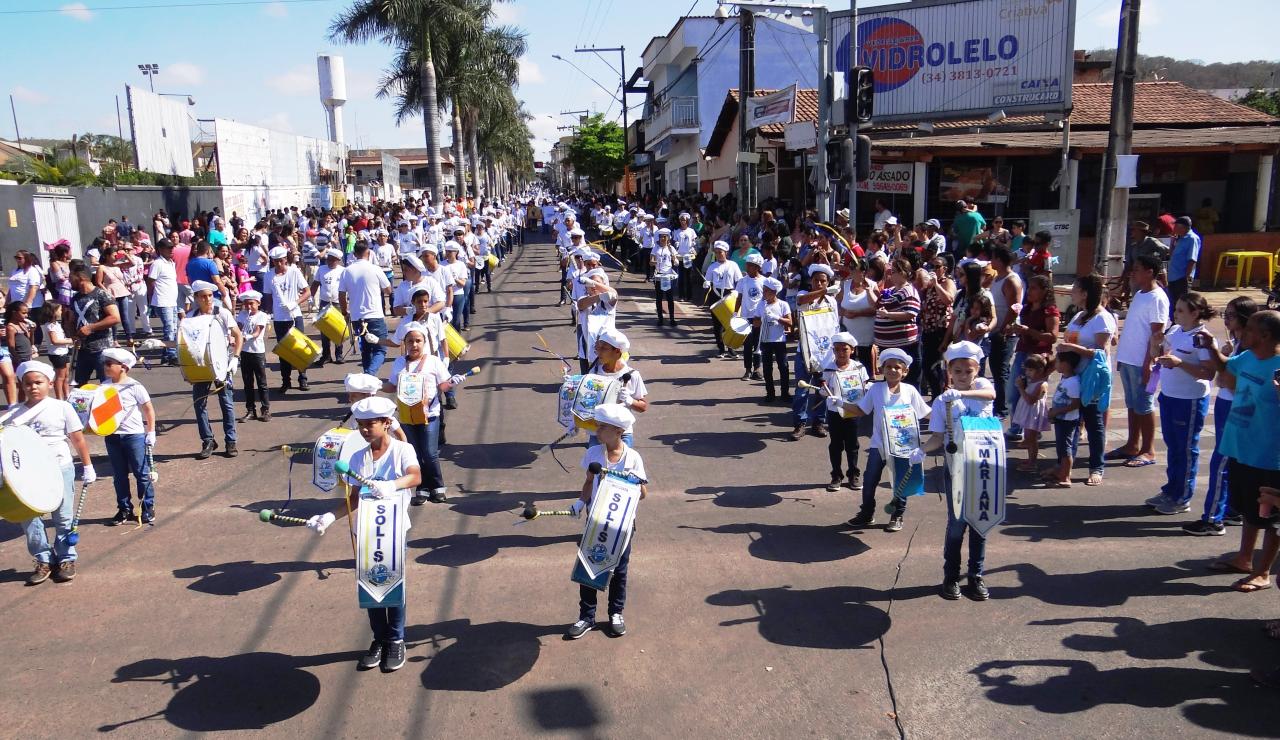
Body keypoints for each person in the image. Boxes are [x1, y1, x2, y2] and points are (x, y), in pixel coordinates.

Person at [304, 396, 422, 672]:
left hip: (392, 530)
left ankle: (396, 639)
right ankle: (379, 639)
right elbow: (355, 497)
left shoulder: (402, 450)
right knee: (370, 587)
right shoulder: (358, 458)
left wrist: (392, 485)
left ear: (387, 423)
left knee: (392, 585)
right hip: (367, 530)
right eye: (361, 425)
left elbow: (415, 477)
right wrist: (330, 517)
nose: (366, 430)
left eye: (371, 424)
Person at [1205, 310, 1280, 594]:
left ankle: (1263, 572)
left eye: (1248, 329)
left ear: (1265, 335)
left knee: (1271, 518)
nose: (1242, 332)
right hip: (1241, 448)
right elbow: (1227, 367)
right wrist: (1212, 349)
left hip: (1269, 456)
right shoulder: (1247, 357)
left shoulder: (1279, 366)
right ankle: (1244, 558)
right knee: (1249, 510)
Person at [2, 361, 94, 585]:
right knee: (29, 518)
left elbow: (77, 439)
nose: (33, 387)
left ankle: (65, 558)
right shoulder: (13, 414)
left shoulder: (61, 408)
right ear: (21, 385)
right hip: (25, 472)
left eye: (38, 382)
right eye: (28, 383)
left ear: (50, 384)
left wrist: (88, 465)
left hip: (60, 467)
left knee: (63, 517)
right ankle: (43, 559)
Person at [565, 403, 649, 640]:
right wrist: (580, 504)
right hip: (596, 521)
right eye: (597, 426)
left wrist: (633, 481)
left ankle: (616, 613)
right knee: (589, 566)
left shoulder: (633, 458)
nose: (597, 431)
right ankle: (586, 616)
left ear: (619, 431)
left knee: (619, 570)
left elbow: (643, 494)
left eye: (602, 427)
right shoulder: (593, 454)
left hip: (622, 525)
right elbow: (589, 483)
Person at [920, 341, 996, 600]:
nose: (964, 376)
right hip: (957, 469)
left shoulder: (982, 387)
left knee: (980, 524)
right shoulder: (943, 402)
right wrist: (922, 451)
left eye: (969, 371)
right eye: (958, 371)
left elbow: (991, 396)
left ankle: (976, 575)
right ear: (949, 371)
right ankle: (951, 575)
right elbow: (938, 437)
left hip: (985, 466)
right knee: (957, 524)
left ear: (977, 370)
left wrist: (963, 395)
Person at [1183, 296, 1258, 536]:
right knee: (1231, 463)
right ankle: (1232, 508)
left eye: (1231, 315)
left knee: (1221, 463)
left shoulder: (1249, 347)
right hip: (1226, 404)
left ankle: (1213, 519)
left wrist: (1223, 363)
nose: (1226, 319)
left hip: (1235, 408)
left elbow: (1230, 382)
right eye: (1225, 314)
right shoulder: (1237, 342)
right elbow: (1221, 378)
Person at [839, 348, 931, 533]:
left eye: (897, 367)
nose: (892, 370)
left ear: (905, 372)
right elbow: (861, 410)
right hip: (879, 445)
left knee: (900, 482)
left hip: (903, 447)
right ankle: (866, 513)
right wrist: (839, 403)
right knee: (870, 479)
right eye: (888, 367)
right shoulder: (876, 389)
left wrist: (947, 415)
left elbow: (926, 413)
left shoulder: (910, 391)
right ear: (882, 369)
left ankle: (897, 514)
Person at [1149, 293, 1216, 515]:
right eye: (1175, 309)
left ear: (1195, 313)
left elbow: (1208, 373)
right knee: (1173, 446)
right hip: (1169, 395)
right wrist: (1155, 345)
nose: (1175, 314)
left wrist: (1179, 363)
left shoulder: (1202, 338)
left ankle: (1182, 497)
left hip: (1189, 400)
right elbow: (1158, 356)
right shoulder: (1175, 331)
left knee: (1186, 449)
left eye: (1180, 310)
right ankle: (1171, 490)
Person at [383, 322, 460, 505]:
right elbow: (392, 385)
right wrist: (375, 386)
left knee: (430, 453)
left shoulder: (433, 361)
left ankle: (438, 486)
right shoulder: (399, 362)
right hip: (406, 416)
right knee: (415, 453)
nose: (414, 345)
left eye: (418, 341)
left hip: (429, 415)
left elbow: (442, 385)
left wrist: (451, 382)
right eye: (410, 341)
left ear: (424, 342)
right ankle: (422, 488)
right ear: (405, 344)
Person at [1109, 254, 1169, 467]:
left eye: (1137, 269)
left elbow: (1156, 335)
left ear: (1150, 271)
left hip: (1142, 362)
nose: (1133, 272)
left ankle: (1148, 450)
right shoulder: (1141, 294)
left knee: (1145, 405)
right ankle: (1132, 445)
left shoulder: (1157, 297)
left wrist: (1148, 364)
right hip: (1128, 359)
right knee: (1133, 405)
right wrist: (1122, 357)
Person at [1057, 274, 1116, 487]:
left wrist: (1073, 348)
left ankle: (1096, 467)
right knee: (1070, 422)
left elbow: (1102, 353)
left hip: (1092, 380)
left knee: (1094, 424)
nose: (1071, 292)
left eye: (1075, 288)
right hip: (1074, 377)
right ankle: (1064, 468)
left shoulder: (1103, 318)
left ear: (1085, 293)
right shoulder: (1079, 315)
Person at [185, 280, 243, 459]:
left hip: (221, 363)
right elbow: (184, 343)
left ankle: (231, 441)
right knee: (199, 403)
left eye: (210, 296)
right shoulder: (190, 317)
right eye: (203, 296)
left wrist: (235, 358)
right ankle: (208, 440)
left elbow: (238, 335)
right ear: (195, 298)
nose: (208, 299)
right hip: (200, 364)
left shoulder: (222, 313)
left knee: (226, 403)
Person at [99, 347, 157, 524]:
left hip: (134, 435)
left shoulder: (135, 386)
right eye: (105, 363)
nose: (105, 367)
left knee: (141, 472)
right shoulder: (104, 386)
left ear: (123, 367)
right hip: (112, 435)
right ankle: (124, 509)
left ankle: (147, 507)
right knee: (119, 475)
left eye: (109, 363)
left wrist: (151, 431)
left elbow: (148, 409)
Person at [822, 332, 870, 492]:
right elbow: (823, 389)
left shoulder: (859, 367)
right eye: (837, 350)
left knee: (852, 444)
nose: (841, 353)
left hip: (853, 410)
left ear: (852, 350)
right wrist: (826, 392)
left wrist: (867, 390)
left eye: (845, 349)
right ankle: (836, 475)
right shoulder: (828, 368)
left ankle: (853, 475)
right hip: (834, 411)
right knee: (835, 444)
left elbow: (865, 385)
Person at [586, 329, 648, 447]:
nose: (598, 352)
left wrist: (629, 400)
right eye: (597, 348)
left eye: (603, 349)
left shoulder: (632, 374)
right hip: (596, 433)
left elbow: (643, 407)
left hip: (621, 434)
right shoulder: (593, 372)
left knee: (620, 465)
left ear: (617, 351)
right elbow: (584, 400)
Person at [263, 246, 312, 393]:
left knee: (299, 348)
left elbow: (307, 292)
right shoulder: (268, 276)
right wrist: (268, 313)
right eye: (275, 262)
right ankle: (286, 381)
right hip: (279, 318)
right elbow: (268, 297)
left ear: (286, 259)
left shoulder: (294, 271)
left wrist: (295, 302)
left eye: (281, 261)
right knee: (284, 351)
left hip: (294, 315)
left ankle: (302, 378)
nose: (278, 264)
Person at [338, 242, 392, 374]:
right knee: (380, 349)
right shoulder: (375, 269)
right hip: (375, 315)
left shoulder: (347, 271)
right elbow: (388, 290)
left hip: (357, 316)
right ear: (368, 253)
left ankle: (367, 379)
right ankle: (369, 374)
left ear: (354, 254)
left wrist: (345, 311)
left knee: (366, 350)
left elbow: (341, 295)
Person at [69, 260, 120, 387]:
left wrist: (91, 328)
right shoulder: (75, 298)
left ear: (80, 278)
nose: (69, 281)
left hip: (102, 349)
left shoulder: (101, 295)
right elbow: (71, 319)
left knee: (107, 385)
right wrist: (72, 333)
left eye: (71, 278)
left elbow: (115, 318)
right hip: (83, 349)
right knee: (80, 386)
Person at [874, 258, 923, 388]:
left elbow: (910, 313)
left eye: (894, 271)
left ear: (903, 273)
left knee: (908, 381)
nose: (891, 274)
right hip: (888, 344)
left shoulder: (908, 290)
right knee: (890, 380)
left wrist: (888, 315)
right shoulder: (893, 289)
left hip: (904, 344)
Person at [987, 247, 1022, 419]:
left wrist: (1003, 329)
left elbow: (1014, 308)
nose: (990, 262)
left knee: (1001, 371)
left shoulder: (1011, 280)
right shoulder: (997, 278)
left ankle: (1003, 408)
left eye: (993, 258)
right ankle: (999, 404)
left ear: (1000, 260)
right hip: (995, 331)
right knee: (995, 369)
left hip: (1006, 333)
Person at [1044, 351, 1083, 487]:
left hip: (1067, 420)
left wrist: (1057, 411)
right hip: (1061, 418)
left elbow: (1075, 403)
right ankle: (1060, 471)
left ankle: (1065, 476)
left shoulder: (1073, 382)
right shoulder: (1066, 379)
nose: (1055, 365)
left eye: (1057, 362)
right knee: (1061, 448)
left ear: (1065, 364)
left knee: (1065, 449)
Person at [1011, 354, 1052, 472]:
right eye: (1027, 370)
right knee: (1029, 438)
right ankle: (1030, 459)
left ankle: (1032, 463)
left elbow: (1030, 400)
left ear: (1039, 370)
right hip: (1029, 412)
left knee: (1031, 439)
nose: (1027, 373)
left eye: (1030, 370)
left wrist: (1020, 388)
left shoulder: (1041, 384)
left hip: (1033, 413)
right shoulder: (1032, 381)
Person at [754, 277, 791, 403]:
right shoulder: (761, 305)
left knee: (783, 367)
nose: (763, 294)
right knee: (767, 368)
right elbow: (755, 322)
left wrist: (776, 317)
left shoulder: (783, 305)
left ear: (774, 292)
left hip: (779, 340)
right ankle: (770, 393)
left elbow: (790, 322)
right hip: (765, 340)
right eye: (763, 291)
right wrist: (761, 319)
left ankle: (785, 393)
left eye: (766, 291)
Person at [236, 290, 271, 422]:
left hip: (257, 352)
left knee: (262, 382)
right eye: (246, 304)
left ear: (258, 303)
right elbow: (238, 327)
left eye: (251, 304)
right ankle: (250, 410)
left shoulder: (262, 316)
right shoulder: (242, 314)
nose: (248, 307)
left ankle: (265, 409)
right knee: (247, 383)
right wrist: (234, 336)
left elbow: (257, 332)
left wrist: (245, 337)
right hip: (245, 352)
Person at [705, 241, 743, 359]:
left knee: (730, 322)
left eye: (720, 252)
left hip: (729, 294)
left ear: (726, 252)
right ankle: (721, 348)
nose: (718, 254)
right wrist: (706, 284)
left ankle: (731, 348)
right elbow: (708, 280)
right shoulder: (712, 266)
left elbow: (739, 281)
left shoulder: (733, 265)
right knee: (717, 325)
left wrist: (737, 291)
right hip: (716, 295)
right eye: (716, 252)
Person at [146, 239, 180, 366]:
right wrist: (152, 294)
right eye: (168, 247)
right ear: (160, 249)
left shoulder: (171, 262)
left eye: (172, 247)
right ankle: (171, 355)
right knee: (169, 329)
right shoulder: (157, 263)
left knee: (174, 328)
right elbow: (150, 280)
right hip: (162, 301)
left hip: (172, 301)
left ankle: (165, 356)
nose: (171, 250)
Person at [734, 254, 766, 380]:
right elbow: (739, 298)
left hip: (759, 317)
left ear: (757, 267)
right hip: (746, 318)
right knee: (747, 344)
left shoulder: (764, 281)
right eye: (747, 264)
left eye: (750, 265)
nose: (747, 267)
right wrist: (735, 313)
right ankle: (747, 370)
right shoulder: (742, 281)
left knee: (758, 344)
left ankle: (757, 369)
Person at [1167, 216, 1201, 316]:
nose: (1174, 229)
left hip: (1181, 277)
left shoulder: (1192, 238)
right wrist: (1172, 242)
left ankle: (1181, 325)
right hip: (1173, 276)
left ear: (1183, 227)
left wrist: (1186, 276)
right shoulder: (1180, 238)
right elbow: (1172, 254)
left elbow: (1192, 259)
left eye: (1176, 226)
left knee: (1182, 304)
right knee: (1173, 303)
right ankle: (1174, 324)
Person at [650, 228, 678, 327]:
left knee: (670, 298)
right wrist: (655, 262)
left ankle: (672, 318)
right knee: (659, 298)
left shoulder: (671, 249)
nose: (663, 238)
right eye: (661, 236)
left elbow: (676, 261)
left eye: (665, 237)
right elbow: (651, 261)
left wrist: (675, 260)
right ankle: (660, 319)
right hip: (659, 275)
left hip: (668, 275)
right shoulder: (655, 248)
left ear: (668, 238)